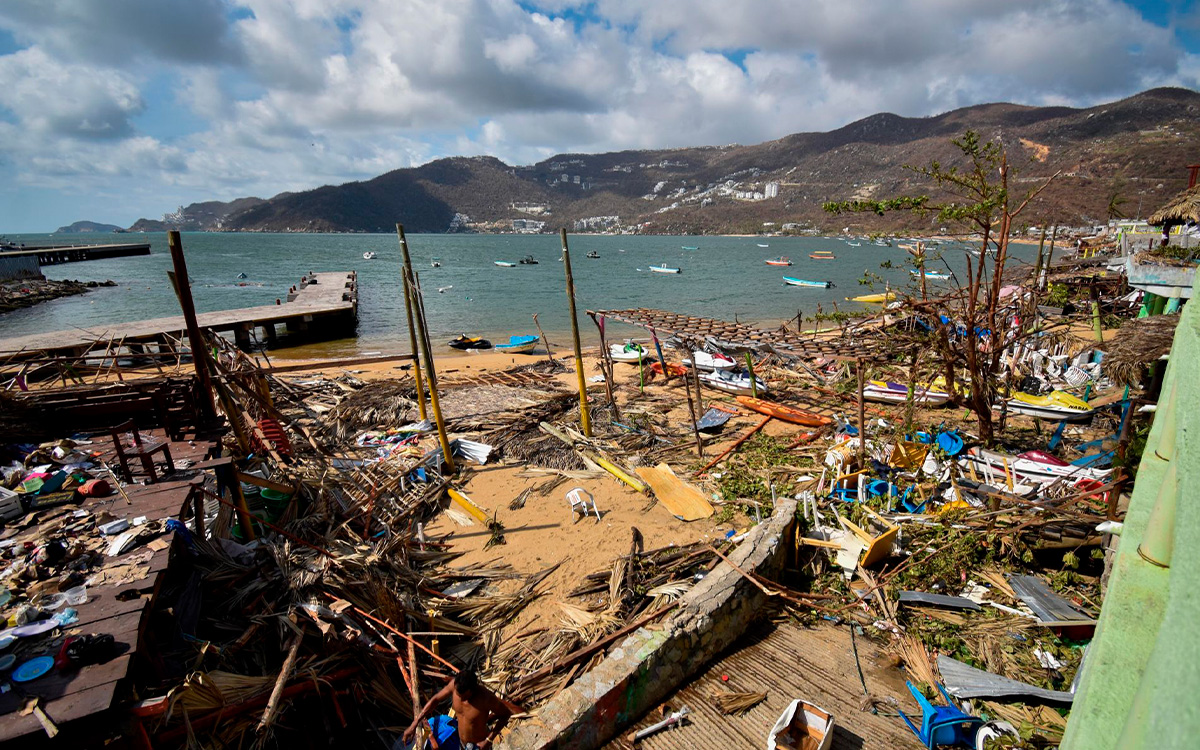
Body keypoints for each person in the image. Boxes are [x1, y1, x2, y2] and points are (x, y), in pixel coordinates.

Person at [402, 669, 516, 750]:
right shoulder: (454, 685)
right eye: (458, 695)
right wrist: (414, 724)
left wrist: (488, 741)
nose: (460, 699)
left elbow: (505, 714)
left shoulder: (486, 698)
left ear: (472, 690)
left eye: (464, 696)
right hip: (461, 743)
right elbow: (435, 700)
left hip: (479, 745)